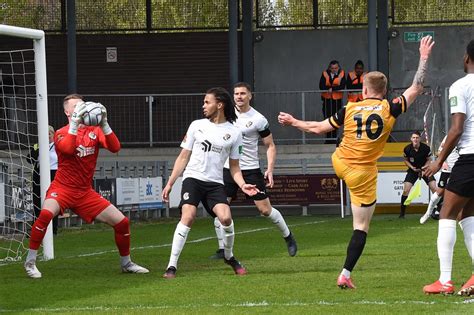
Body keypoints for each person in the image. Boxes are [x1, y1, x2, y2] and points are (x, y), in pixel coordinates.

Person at [279, 36, 434, 289]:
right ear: (384, 91)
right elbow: (417, 87)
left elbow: (318, 129)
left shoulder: (349, 108)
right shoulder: (389, 108)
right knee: (361, 227)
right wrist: (424, 57)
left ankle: (345, 159)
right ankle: (345, 274)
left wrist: (293, 121)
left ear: (363, 89)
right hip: (362, 173)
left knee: (342, 147)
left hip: (340, 162)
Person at [24, 94, 149, 278]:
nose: (81, 108)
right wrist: (75, 125)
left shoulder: (94, 130)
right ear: (67, 112)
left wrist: (104, 123)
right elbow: (67, 149)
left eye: (82, 105)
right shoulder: (60, 132)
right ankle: (30, 262)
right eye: (76, 106)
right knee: (45, 214)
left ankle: (126, 263)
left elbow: (115, 147)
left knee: (122, 222)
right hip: (62, 188)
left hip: (84, 192)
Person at [161, 87, 259, 278]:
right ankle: (171, 266)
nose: (203, 105)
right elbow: (183, 157)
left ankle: (229, 256)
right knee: (188, 216)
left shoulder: (234, 132)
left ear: (219, 105)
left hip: (215, 183)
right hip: (193, 178)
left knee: (226, 218)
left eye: (207, 102)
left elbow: (234, 167)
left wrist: (242, 185)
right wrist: (170, 182)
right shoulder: (196, 125)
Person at [210, 82, 297, 260]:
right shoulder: (224, 114)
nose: (239, 97)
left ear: (250, 96)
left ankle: (288, 237)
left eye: (243, 93)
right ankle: (222, 249)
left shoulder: (258, 119)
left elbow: (270, 145)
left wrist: (270, 169)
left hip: (250, 170)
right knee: (220, 209)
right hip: (227, 169)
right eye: (236, 94)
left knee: (265, 210)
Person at [422, 39, 474, 296]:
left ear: (467, 59)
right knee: (469, 215)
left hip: (470, 157)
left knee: (447, 214)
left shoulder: (460, 86)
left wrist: (438, 162)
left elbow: (457, 129)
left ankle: (444, 281)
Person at [420, 135, 459, 224]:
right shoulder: (451, 135)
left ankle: (457, 218)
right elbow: (439, 152)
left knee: (460, 195)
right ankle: (428, 213)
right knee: (439, 192)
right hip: (448, 170)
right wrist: (444, 162)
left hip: (460, 170)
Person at [27, 126, 59, 234]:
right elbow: (29, 159)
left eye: (49, 134)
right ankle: (36, 229)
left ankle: (53, 229)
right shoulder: (38, 146)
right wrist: (39, 148)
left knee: (52, 202)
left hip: (54, 174)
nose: (47, 137)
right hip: (39, 175)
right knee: (37, 202)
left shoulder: (58, 146)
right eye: (44, 135)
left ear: (53, 135)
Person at [399, 131, 437, 218]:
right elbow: (405, 160)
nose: (415, 139)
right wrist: (412, 167)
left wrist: (424, 167)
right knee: (406, 190)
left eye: (417, 137)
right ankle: (402, 213)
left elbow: (429, 159)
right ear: (411, 139)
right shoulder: (407, 148)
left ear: (420, 138)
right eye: (414, 138)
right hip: (413, 171)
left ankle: (438, 210)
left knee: (434, 188)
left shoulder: (426, 148)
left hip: (425, 170)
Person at [319, 60, 346, 143]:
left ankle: (334, 139)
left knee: (336, 119)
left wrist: (332, 88)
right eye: (332, 68)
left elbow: (342, 86)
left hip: (336, 100)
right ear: (329, 68)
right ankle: (328, 139)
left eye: (336, 68)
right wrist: (330, 88)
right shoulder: (325, 73)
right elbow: (321, 86)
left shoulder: (341, 73)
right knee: (327, 119)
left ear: (338, 68)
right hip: (327, 100)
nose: (334, 70)